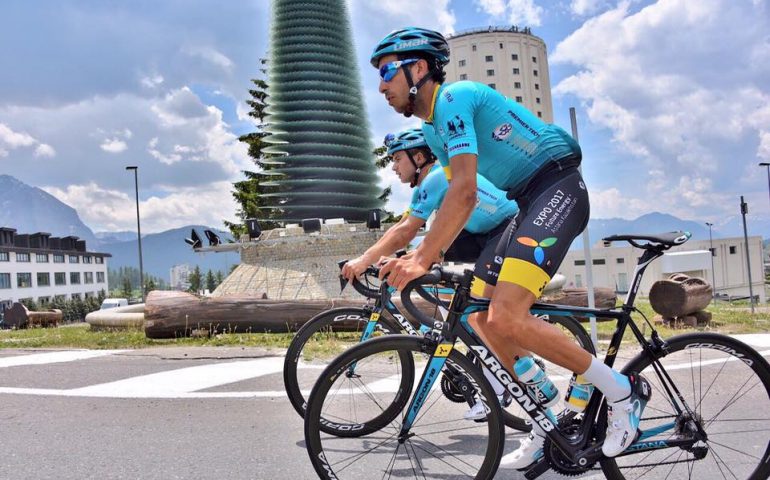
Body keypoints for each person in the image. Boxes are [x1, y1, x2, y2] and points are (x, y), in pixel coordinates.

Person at [370, 27, 651, 469]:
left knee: (506, 315)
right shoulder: (435, 129)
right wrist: (422, 253)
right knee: (480, 317)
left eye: (387, 71)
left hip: (556, 188)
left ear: (418, 68)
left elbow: (462, 192)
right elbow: (462, 201)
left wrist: (423, 257)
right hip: (526, 203)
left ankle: (622, 390)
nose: (382, 85)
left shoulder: (452, 100)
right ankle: (547, 414)